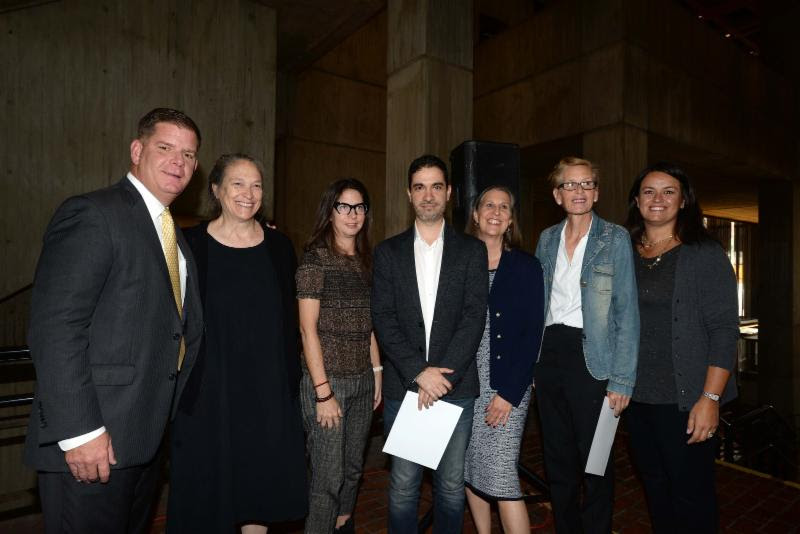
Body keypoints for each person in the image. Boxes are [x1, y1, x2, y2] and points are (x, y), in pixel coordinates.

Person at [23, 108, 204, 533]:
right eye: (166, 148)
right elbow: (56, 327)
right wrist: (81, 431)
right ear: (137, 150)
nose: (179, 162)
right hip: (92, 443)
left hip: (142, 442)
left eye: (190, 155)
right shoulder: (94, 213)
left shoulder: (173, 235)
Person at [166, 154, 307, 533]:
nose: (249, 193)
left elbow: (289, 321)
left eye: (257, 185)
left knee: (258, 491)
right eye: (238, 184)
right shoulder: (189, 244)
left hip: (267, 393)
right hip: (210, 393)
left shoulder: (279, 246)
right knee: (208, 495)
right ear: (215, 189)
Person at [371, 154, 488, 534]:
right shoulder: (388, 253)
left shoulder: (472, 251)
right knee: (403, 487)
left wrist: (442, 377)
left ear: (449, 192)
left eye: (436, 186)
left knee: (451, 488)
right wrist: (420, 372)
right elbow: (384, 319)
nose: (428, 195)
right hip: (404, 387)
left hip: (455, 388)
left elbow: (474, 317)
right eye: (419, 187)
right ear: (409, 193)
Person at [624, 162, 738, 533]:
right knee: (655, 488)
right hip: (636, 398)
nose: (658, 199)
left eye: (668, 191)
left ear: (684, 200)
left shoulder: (703, 252)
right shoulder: (624, 250)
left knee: (692, 496)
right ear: (636, 201)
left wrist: (710, 398)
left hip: (686, 399)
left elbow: (723, 329)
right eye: (649, 192)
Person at [534, 156, 639, 533]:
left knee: (596, 463)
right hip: (549, 355)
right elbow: (537, 305)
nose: (577, 192)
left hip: (593, 358)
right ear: (557, 194)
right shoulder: (546, 239)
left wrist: (622, 379)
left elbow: (627, 311)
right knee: (558, 460)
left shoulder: (615, 238)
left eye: (585, 184)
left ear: (595, 192)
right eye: (569, 185)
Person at [296, 178, 382, 534]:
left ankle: (341, 527)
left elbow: (369, 323)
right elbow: (306, 330)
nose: (352, 215)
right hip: (327, 384)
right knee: (327, 480)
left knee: (351, 472)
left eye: (359, 207)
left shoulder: (364, 261)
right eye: (344, 207)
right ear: (330, 212)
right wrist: (323, 392)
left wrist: (377, 370)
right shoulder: (315, 260)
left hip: (362, 380)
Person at [463, 186, 545, 534]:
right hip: (465, 382)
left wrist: (510, 393)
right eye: (488, 205)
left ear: (510, 218)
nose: (495, 212)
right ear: (476, 214)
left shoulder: (527, 267)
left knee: (500, 470)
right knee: (469, 465)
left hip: (506, 384)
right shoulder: (460, 263)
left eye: (504, 207)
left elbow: (533, 334)